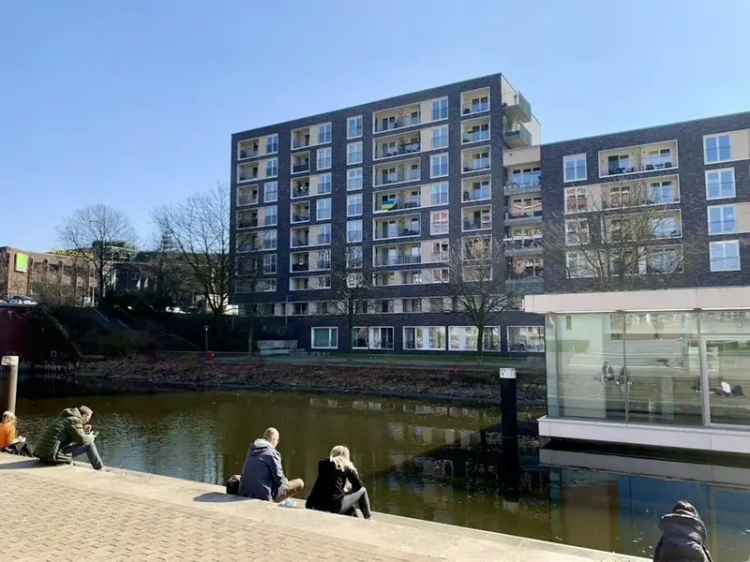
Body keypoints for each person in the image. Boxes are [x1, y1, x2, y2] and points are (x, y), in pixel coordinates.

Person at [306, 445, 372, 519]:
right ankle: (368, 518)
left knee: (351, 509)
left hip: (316, 505)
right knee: (363, 491)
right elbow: (359, 486)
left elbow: (328, 488)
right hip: (334, 507)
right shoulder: (346, 466)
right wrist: (349, 486)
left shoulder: (323, 464)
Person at [238, 427, 304, 501]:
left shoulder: (251, 448)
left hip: (244, 493)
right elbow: (279, 480)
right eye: (277, 440)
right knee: (299, 483)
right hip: (264, 496)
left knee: (238, 477)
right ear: (274, 439)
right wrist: (285, 481)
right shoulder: (272, 453)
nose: (277, 443)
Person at [34, 405, 103, 470]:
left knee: (73, 445)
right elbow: (82, 440)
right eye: (89, 418)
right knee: (89, 444)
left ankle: (68, 461)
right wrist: (91, 436)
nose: (88, 421)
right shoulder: (75, 420)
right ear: (85, 415)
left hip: (42, 454)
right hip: (51, 456)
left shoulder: (65, 418)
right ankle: (100, 469)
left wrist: (84, 431)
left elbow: (71, 436)